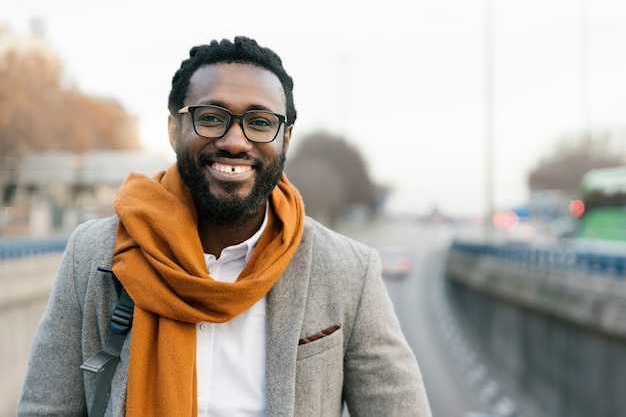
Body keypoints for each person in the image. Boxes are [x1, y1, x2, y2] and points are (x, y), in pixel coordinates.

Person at [18, 36, 432, 416]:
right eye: (212, 118)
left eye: (260, 122)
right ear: (174, 129)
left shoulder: (348, 271)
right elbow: (45, 408)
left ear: (285, 139)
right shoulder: (92, 254)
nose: (235, 140)